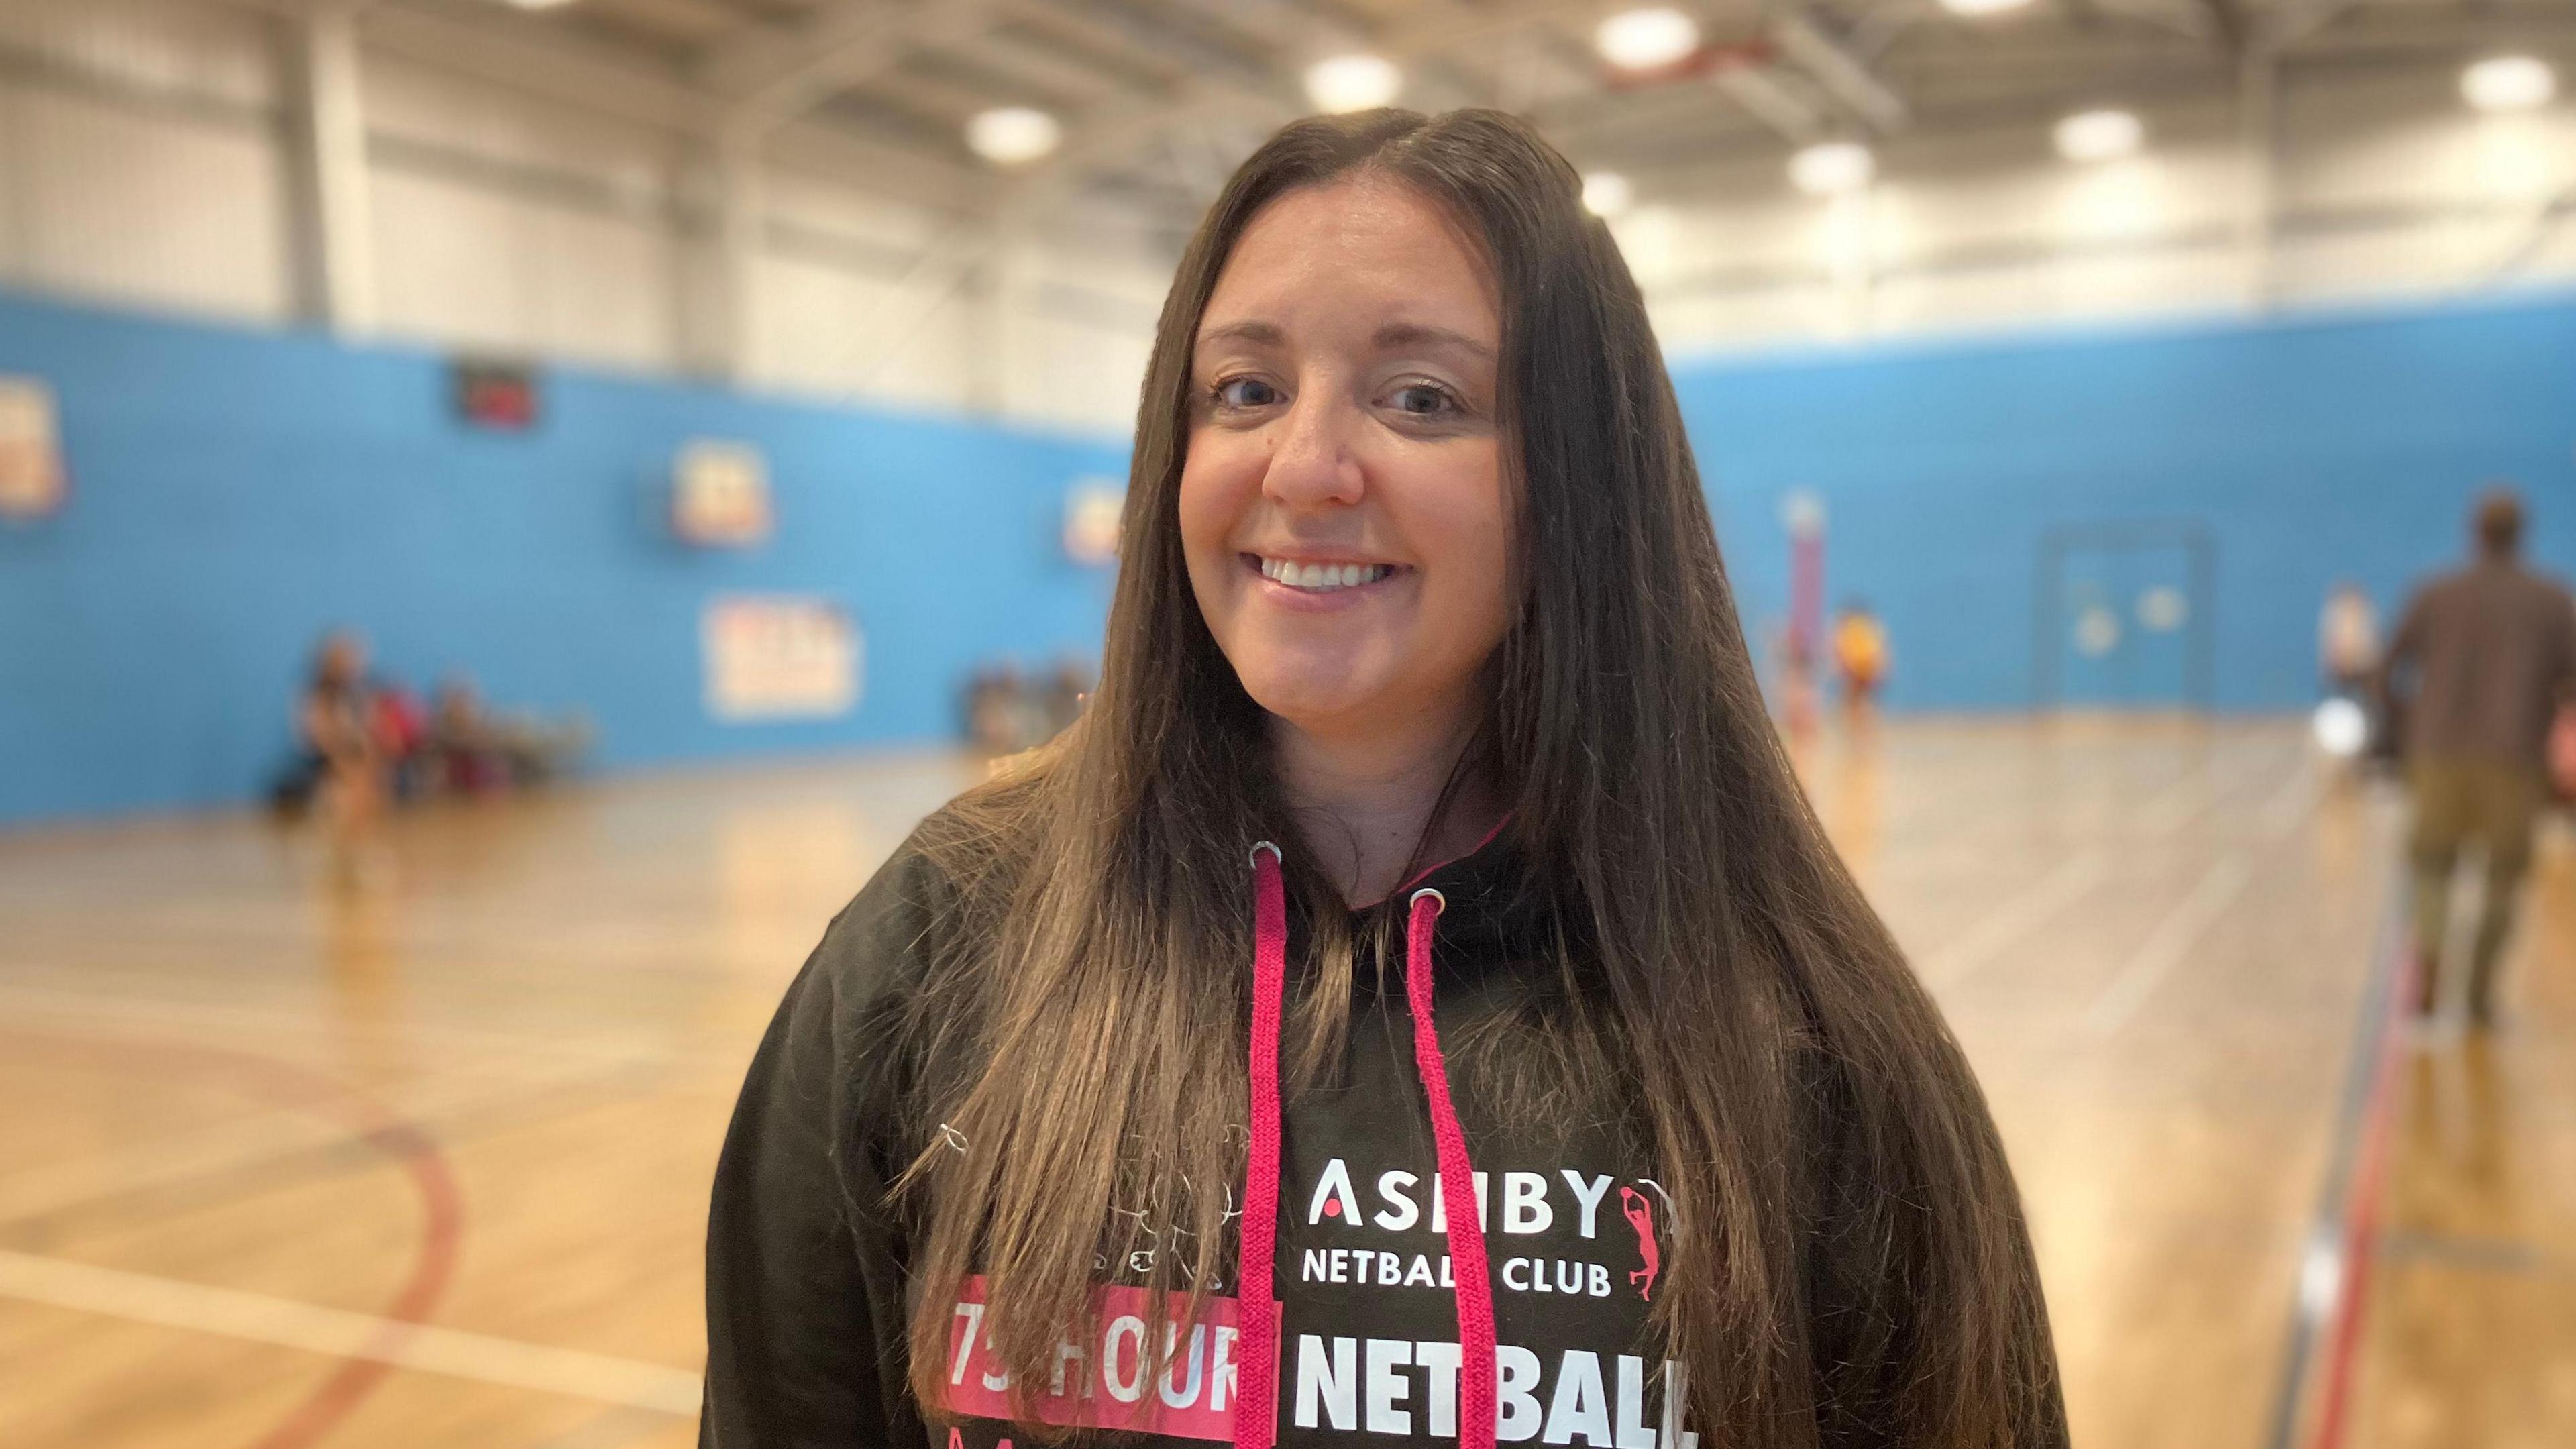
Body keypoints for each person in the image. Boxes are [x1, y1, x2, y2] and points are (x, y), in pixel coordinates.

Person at [701, 109, 2063, 1449]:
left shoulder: (1801, 1036)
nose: (1304, 468)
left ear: (1578, 486)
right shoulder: (943, 934)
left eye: (1422, 399)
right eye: (1245, 390)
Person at [2380, 490, 2576, 1028]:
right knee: (2503, 879)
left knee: (2432, 868)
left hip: (2437, 753)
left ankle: (2434, 959)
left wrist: (2400, 731)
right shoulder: (2551, 599)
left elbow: (2386, 669)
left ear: (2474, 531)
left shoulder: (2435, 593)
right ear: (2522, 532)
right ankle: (2479, 994)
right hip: (2515, 760)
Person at [1831, 598, 1889, 731]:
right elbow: (1880, 654)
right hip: (1866, 671)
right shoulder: (1870, 627)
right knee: (1863, 706)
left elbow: (1841, 653)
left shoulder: (1849, 629)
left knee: (1855, 707)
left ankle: (1860, 735)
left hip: (1856, 672)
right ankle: (1864, 735)